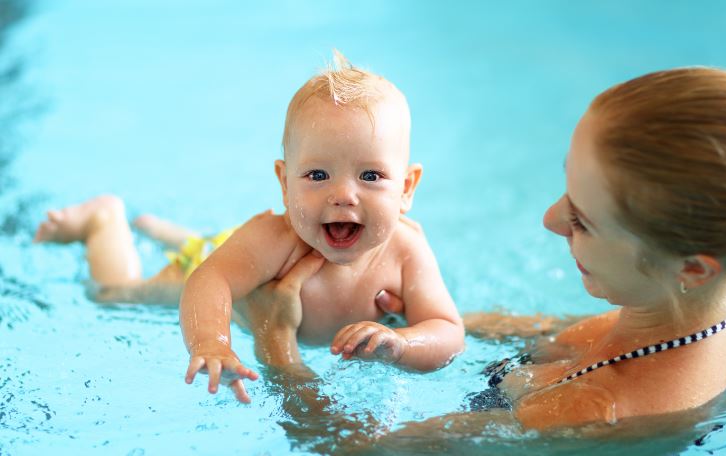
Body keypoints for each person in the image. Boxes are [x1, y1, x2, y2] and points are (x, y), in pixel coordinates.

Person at [247, 67, 726, 433]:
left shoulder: (591, 410)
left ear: (693, 265)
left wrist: (277, 347)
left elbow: (353, 450)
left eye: (582, 219)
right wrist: (411, 326)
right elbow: (566, 335)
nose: (551, 219)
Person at [34, 51, 465, 405]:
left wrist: (403, 344)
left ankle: (169, 232)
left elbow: (446, 330)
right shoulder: (277, 239)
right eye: (317, 175)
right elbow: (210, 278)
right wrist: (211, 340)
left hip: (241, 253)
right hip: (227, 258)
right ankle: (103, 221)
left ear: (407, 188)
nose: (344, 195)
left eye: (370, 176)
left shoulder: (406, 250)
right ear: (284, 182)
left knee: (227, 249)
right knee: (117, 295)